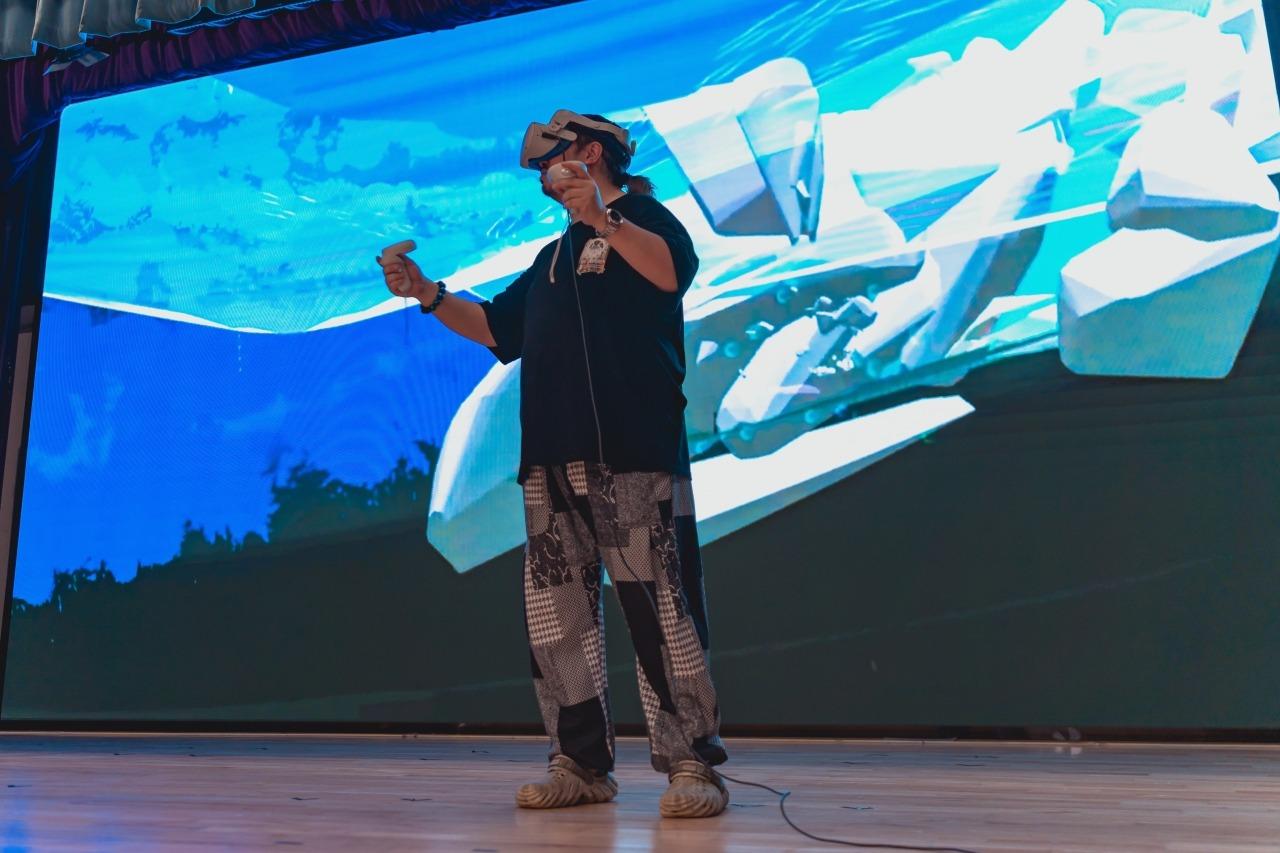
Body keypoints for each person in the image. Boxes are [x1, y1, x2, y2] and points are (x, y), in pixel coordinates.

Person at [377, 112, 728, 819]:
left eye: (550, 160)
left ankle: (692, 763)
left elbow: (670, 275)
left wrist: (604, 219)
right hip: (550, 463)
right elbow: (495, 328)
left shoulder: (647, 223)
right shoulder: (552, 257)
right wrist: (427, 293)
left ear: (591, 152)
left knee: (661, 612)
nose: (540, 174)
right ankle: (580, 763)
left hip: (633, 453)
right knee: (558, 620)